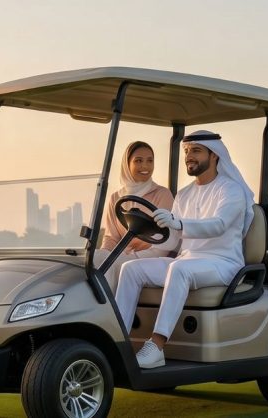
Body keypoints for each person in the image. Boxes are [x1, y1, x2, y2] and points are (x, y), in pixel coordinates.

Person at [114, 130, 254, 369]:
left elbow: (218, 225)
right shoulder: (185, 194)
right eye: (187, 152)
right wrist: (149, 236)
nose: (189, 156)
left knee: (179, 269)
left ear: (215, 155)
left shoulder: (231, 190)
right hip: (188, 259)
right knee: (131, 269)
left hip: (223, 263)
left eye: (196, 151)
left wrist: (177, 223)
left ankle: (156, 346)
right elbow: (173, 241)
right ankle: (116, 341)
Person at [96, 141, 176, 290]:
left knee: (113, 264)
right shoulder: (116, 198)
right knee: (95, 258)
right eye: (138, 161)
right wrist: (105, 254)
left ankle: (108, 309)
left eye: (149, 161)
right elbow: (111, 237)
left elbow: (164, 243)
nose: (145, 166)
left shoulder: (162, 194)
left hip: (152, 258)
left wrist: (131, 258)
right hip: (124, 256)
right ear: (127, 164)